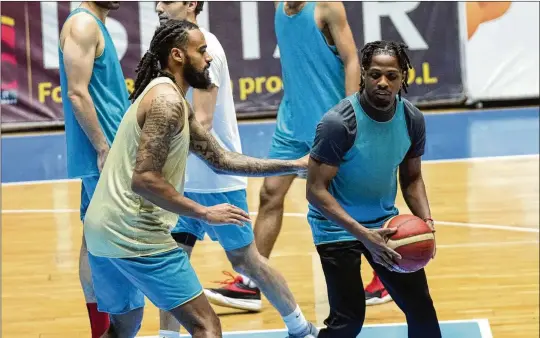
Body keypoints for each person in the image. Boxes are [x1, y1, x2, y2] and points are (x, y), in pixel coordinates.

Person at [83, 19, 316, 338]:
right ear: (178, 55)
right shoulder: (166, 103)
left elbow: (222, 160)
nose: (209, 58)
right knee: (205, 325)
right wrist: (204, 212)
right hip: (133, 232)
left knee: (123, 328)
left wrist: (292, 165)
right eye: (202, 51)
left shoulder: (171, 99)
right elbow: (145, 179)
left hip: (101, 231)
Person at [207, 1, 388, 310]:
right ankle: (252, 281)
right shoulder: (280, 7)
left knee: (349, 201)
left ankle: (384, 278)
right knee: (270, 194)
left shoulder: (327, 7)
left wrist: (349, 114)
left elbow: (351, 60)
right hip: (291, 122)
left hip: (330, 119)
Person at [153, 3, 318, 338]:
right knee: (171, 264)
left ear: (189, 3)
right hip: (183, 181)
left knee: (247, 261)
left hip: (216, 180)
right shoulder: (167, 48)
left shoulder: (205, 49)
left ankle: (301, 328)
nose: (157, 6)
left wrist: (154, 152)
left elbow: (202, 120)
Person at [305, 40, 441, 337]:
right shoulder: (338, 123)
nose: (383, 82)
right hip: (336, 228)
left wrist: (427, 223)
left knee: (421, 310)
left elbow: (412, 178)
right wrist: (363, 235)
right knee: (349, 320)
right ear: (363, 74)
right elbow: (315, 190)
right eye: (375, 74)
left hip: (385, 226)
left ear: (403, 77)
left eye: (391, 76)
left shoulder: (411, 119)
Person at [58, 2, 127, 337]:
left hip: (113, 152)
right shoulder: (83, 25)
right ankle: (111, 329)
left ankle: (102, 331)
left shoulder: (94, 24)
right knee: (110, 244)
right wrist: (103, 146)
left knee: (95, 240)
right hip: (107, 155)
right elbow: (76, 93)